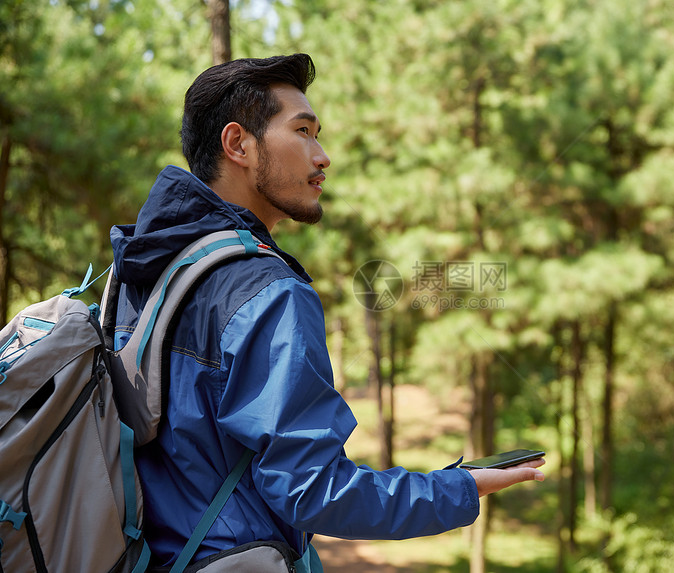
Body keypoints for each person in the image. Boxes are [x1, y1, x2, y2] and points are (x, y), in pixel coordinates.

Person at [109, 53, 544, 571]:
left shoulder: (145, 267)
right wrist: (457, 488)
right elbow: (312, 490)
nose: (322, 156)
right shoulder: (267, 292)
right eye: (303, 131)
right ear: (238, 145)